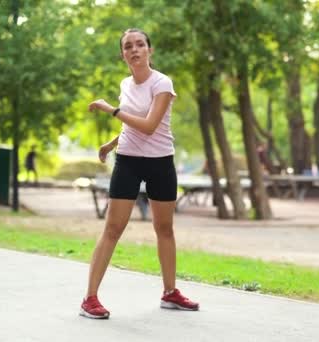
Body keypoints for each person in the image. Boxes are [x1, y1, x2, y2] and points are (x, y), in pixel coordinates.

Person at [80, 28, 199, 319]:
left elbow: (148, 126)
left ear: (149, 50)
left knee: (164, 229)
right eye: (128, 46)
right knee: (113, 229)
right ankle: (90, 299)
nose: (134, 50)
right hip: (129, 162)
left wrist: (111, 109)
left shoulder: (162, 84)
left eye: (140, 44)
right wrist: (112, 142)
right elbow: (130, 125)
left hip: (160, 162)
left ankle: (170, 293)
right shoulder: (126, 83)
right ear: (123, 54)